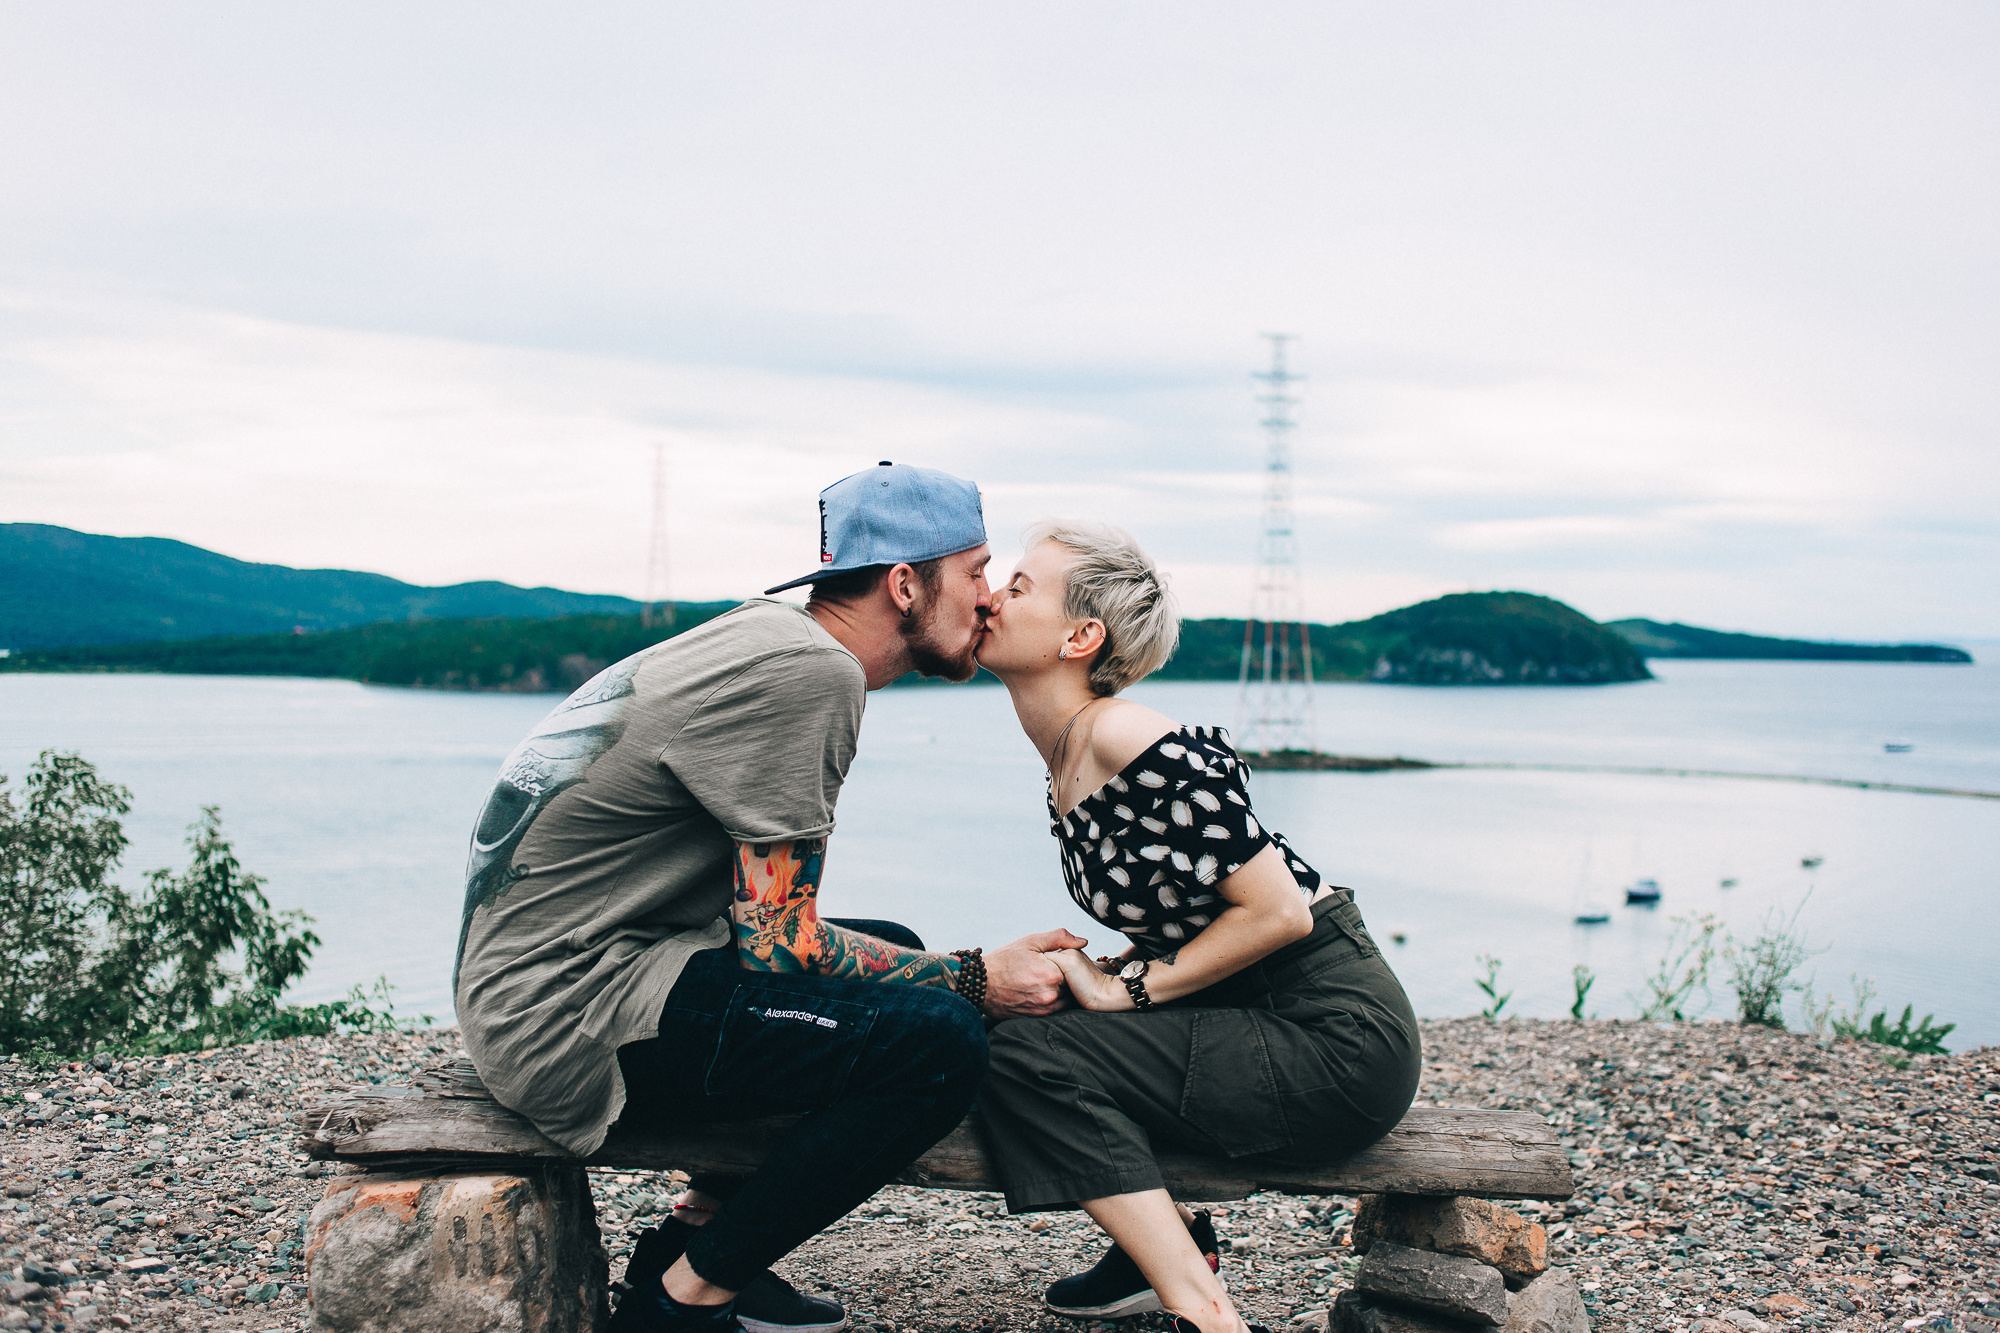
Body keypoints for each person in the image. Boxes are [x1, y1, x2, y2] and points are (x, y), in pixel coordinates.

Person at [453, 463, 1085, 1333]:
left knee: (892, 949)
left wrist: (942, 969)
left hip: (559, 974)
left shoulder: (776, 639)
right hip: (567, 1017)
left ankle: (691, 1238)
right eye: (976, 572)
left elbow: (775, 937)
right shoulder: (811, 677)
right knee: (936, 1041)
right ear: (905, 584)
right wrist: (977, 977)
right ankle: (682, 1301)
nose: (988, 599)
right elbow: (781, 946)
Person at [973, 520, 1423, 1333]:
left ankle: (1205, 1309)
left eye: (1020, 586)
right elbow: (1187, 905)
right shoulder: (1071, 752)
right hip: (1262, 1008)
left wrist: (1124, 990)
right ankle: (1163, 1248)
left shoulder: (1125, 734)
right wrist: (1100, 972)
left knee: (1027, 1052)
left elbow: (1280, 909)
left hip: (1334, 1034)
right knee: (1022, 1020)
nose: (993, 595)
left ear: (1081, 636)